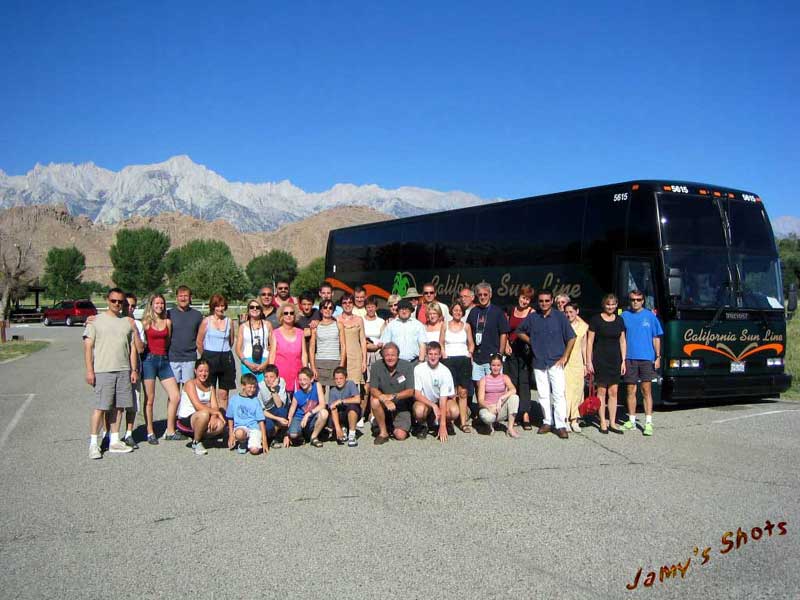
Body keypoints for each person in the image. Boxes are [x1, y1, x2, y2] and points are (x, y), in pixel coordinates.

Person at [83, 288, 138, 459]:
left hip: (123, 369)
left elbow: (132, 349)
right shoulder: (95, 321)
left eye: (120, 302)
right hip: (103, 370)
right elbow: (88, 347)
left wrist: (133, 369)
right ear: (108, 300)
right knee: (101, 407)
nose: (117, 304)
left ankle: (114, 440)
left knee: (119, 406)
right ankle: (93, 443)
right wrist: (90, 370)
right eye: (113, 301)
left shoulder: (127, 322)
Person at [515, 290, 576, 439]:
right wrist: (531, 341)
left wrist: (565, 356)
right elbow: (519, 331)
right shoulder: (533, 317)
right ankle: (547, 421)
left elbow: (571, 337)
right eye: (541, 301)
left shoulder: (560, 317)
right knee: (543, 394)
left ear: (552, 300)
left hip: (556, 361)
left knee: (558, 394)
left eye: (547, 301)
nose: (544, 303)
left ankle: (560, 425)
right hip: (539, 361)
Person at [620, 289, 663, 436]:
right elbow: (621, 338)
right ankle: (631, 421)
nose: (635, 302)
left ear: (643, 301)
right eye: (632, 299)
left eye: (638, 300)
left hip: (646, 358)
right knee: (630, 390)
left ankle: (648, 422)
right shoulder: (624, 316)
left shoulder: (650, 316)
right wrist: (622, 358)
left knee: (646, 390)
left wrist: (658, 357)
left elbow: (656, 337)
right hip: (630, 358)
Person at [142, 294, 183, 443]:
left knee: (175, 396)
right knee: (150, 398)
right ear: (151, 304)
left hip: (164, 360)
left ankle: (170, 430)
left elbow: (167, 341)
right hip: (149, 361)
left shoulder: (167, 322)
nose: (159, 306)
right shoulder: (146, 323)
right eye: (156, 303)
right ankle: (150, 432)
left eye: (161, 303)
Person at [587, 294, 627, 434]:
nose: (610, 307)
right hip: (600, 359)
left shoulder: (619, 320)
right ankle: (602, 421)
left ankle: (613, 422)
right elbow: (590, 341)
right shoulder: (596, 320)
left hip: (615, 359)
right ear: (604, 305)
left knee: (614, 392)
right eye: (608, 304)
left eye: (613, 304)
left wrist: (623, 361)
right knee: (602, 391)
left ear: (616, 305)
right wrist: (588, 361)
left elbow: (622, 341)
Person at [466, 283, 510, 407]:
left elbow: (503, 333)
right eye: (480, 295)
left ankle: (494, 412)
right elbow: (468, 330)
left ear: (490, 295)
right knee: (478, 386)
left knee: (493, 387)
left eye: (485, 294)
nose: (483, 297)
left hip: (492, 357)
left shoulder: (498, 312)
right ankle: (482, 411)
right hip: (477, 358)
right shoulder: (474, 312)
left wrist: (500, 354)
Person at [176, 358, 227, 455]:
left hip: (203, 416)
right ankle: (196, 442)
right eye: (200, 371)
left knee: (220, 424)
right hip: (187, 419)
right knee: (204, 414)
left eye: (206, 371)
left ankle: (200, 436)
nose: (203, 374)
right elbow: (197, 405)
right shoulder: (190, 384)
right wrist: (215, 412)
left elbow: (215, 406)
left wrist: (213, 416)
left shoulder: (210, 386)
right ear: (195, 371)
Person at [369, 342, 416, 445]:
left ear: (398, 356)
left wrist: (393, 397)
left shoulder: (407, 366)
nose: (390, 358)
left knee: (400, 436)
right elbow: (373, 389)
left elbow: (410, 391)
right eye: (387, 355)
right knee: (374, 401)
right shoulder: (376, 366)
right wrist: (385, 399)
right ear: (383, 356)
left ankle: (390, 424)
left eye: (393, 355)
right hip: (383, 403)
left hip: (401, 405)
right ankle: (383, 432)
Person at [413, 342, 459, 442]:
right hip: (426, 401)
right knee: (419, 411)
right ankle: (423, 425)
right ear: (426, 355)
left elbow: (443, 400)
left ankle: (445, 423)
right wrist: (433, 406)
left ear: (440, 355)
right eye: (430, 354)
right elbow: (417, 394)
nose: (433, 357)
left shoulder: (445, 371)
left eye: (435, 354)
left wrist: (442, 426)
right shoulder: (418, 369)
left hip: (441, 401)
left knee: (454, 411)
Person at [196, 294, 236, 411]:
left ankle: (223, 419)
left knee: (223, 394)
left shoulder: (229, 321)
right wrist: (206, 356)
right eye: (217, 306)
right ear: (213, 307)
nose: (220, 308)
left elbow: (231, 341)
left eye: (222, 306)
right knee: (209, 392)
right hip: (209, 357)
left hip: (225, 358)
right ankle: (210, 419)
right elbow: (199, 342)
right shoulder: (206, 321)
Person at [504, 285, 535, 431]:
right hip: (511, 350)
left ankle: (526, 414)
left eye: (528, 299)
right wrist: (505, 346)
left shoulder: (532, 312)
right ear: (518, 297)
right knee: (512, 382)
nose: (525, 301)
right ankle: (514, 413)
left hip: (525, 352)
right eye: (523, 297)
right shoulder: (511, 310)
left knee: (524, 383)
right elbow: (505, 330)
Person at [441, 302, 474, 433]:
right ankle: (450, 420)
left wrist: (469, 354)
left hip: (463, 360)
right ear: (451, 311)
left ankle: (463, 422)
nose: (458, 312)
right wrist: (444, 354)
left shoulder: (467, 326)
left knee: (463, 392)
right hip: (449, 360)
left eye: (460, 310)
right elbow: (441, 342)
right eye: (455, 310)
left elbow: (471, 343)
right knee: (451, 392)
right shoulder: (445, 325)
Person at [168, 285, 203, 389]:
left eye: (186, 296)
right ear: (176, 298)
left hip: (190, 359)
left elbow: (200, 337)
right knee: (173, 394)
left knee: (188, 392)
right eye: (180, 296)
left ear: (190, 297)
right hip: (173, 358)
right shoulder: (169, 314)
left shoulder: (197, 315)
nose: (183, 298)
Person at [477, 354, 520, 437]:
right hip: (488, 408)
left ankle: (510, 428)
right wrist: (489, 407)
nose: (495, 368)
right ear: (490, 365)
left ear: (501, 366)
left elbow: (513, 389)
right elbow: (480, 400)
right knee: (488, 417)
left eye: (498, 365)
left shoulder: (505, 377)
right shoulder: (484, 379)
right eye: (493, 365)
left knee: (515, 397)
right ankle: (489, 426)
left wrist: (501, 398)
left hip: (500, 407)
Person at [269, 302, 308, 394]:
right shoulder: (275, 333)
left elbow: (304, 354)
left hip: (297, 373)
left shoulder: (300, 332)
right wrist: (271, 373)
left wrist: (306, 371)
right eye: (286, 313)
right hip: (281, 373)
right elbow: (272, 354)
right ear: (281, 316)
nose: (289, 315)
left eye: (291, 313)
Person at [226, 373, 269, 455]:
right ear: (243, 386)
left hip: (254, 428)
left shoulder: (255, 400)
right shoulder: (234, 399)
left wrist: (264, 439)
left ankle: (252, 442)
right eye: (250, 387)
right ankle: (243, 442)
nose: (252, 390)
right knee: (239, 433)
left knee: (254, 451)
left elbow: (260, 420)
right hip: (240, 427)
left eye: (254, 387)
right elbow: (230, 418)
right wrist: (231, 435)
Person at [286, 367, 329, 447]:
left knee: (324, 413)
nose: (302, 382)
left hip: (312, 417)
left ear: (311, 379)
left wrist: (308, 414)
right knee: (293, 434)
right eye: (300, 380)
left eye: (305, 379)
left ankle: (314, 437)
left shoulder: (317, 386)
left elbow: (322, 404)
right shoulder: (297, 394)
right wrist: (286, 433)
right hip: (299, 418)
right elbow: (291, 411)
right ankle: (302, 436)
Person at [124, 293, 145, 448]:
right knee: (112, 405)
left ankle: (129, 433)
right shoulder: (113, 321)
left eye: (133, 306)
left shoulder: (137, 324)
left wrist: (134, 330)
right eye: (127, 305)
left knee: (133, 403)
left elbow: (140, 348)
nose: (129, 308)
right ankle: (109, 434)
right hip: (116, 368)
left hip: (134, 369)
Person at [564, 302, 589, 432]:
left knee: (578, 391)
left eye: (571, 312)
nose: (569, 315)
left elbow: (584, 346)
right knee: (566, 391)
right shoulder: (562, 325)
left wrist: (586, 363)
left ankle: (575, 419)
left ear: (577, 312)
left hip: (578, 362)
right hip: (565, 362)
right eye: (566, 312)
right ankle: (566, 419)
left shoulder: (583, 327)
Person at [309, 299, 345, 390]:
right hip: (320, 362)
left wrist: (341, 364)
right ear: (321, 310)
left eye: (330, 308)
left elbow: (343, 346)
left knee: (336, 391)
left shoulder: (339, 325)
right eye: (325, 307)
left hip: (335, 361)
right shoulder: (316, 326)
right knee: (320, 392)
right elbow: (312, 348)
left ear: (333, 310)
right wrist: (313, 367)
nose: (327, 310)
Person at [362, 296, 386, 423]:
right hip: (365, 354)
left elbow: (383, 337)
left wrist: (378, 346)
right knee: (365, 385)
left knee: (375, 384)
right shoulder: (361, 320)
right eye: (368, 306)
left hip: (378, 354)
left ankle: (373, 413)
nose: (370, 308)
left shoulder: (381, 321)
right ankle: (362, 414)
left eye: (372, 306)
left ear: (376, 307)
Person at [235, 298, 271, 382]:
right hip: (248, 362)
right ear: (248, 310)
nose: (255, 309)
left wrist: (266, 363)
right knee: (249, 390)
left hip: (264, 361)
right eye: (252, 307)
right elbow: (238, 349)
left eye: (257, 307)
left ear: (261, 310)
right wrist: (247, 363)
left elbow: (273, 347)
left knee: (264, 391)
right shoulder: (243, 327)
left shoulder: (267, 325)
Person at [258, 364, 291, 448]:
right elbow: (261, 410)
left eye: (271, 377)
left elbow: (280, 405)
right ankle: (272, 436)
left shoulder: (281, 382)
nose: (269, 380)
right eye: (266, 377)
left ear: (277, 377)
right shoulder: (260, 387)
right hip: (266, 412)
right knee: (269, 427)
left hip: (276, 408)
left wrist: (273, 390)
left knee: (282, 411)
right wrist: (278, 419)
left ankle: (278, 435)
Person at [328, 367, 361, 447]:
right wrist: (338, 428)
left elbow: (357, 399)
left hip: (352, 413)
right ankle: (342, 429)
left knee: (352, 408)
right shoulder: (332, 391)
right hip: (340, 415)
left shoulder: (350, 384)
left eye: (341, 378)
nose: (338, 381)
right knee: (333, 409)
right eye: (336, 379)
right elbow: (332, 409)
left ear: (346, 378)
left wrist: (341, 401)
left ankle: (352, 434)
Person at [339, 293, 367, 389]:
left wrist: (364, 360)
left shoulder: (359, 320)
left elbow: (363, 340)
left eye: (350, 302)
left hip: (356, 357)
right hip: (341, 357)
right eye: (345, 302)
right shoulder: (337, 319)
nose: (347, 304)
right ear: (341, 305)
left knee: (354, 387)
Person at [296, 291, 321, 356]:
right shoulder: (296, 318)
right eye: (304, 304)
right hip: (302, 352)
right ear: (300, 304)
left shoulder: (317, 312)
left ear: (313, 304)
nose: (306, 307)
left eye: (309, 304)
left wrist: (319, 323)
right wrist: (307, 332)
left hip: (317, 352)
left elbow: (329, 321)